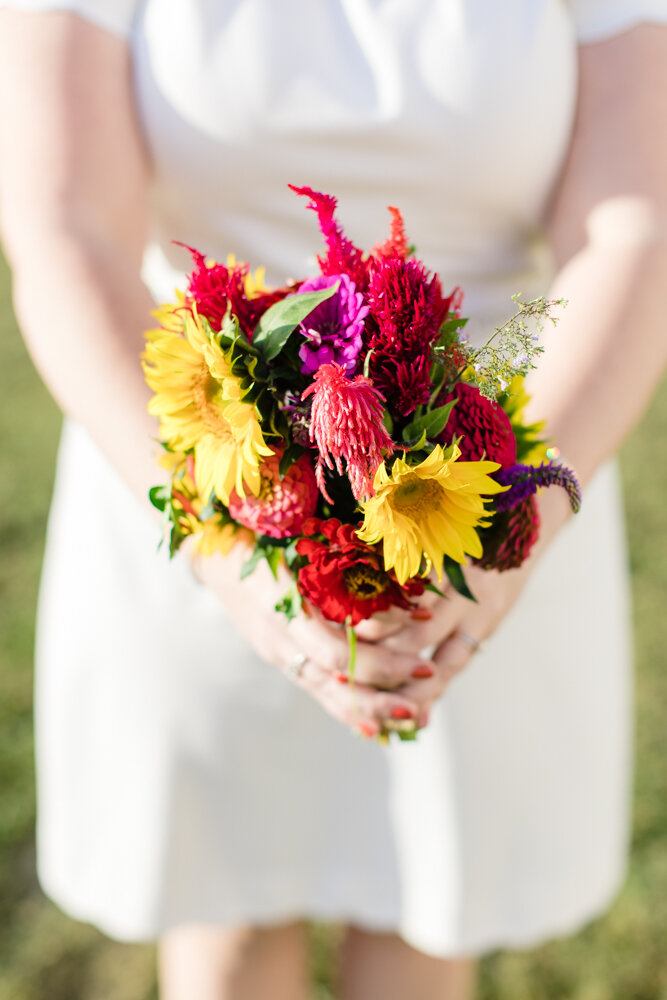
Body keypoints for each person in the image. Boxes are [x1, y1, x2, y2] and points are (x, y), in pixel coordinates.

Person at [0, 2, 666, 998]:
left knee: (424, 918)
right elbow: (67, 227)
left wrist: (505, 534)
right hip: (191, 458)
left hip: (493, 484)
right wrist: (227, 541)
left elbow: (635, 229)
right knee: (224, 919)